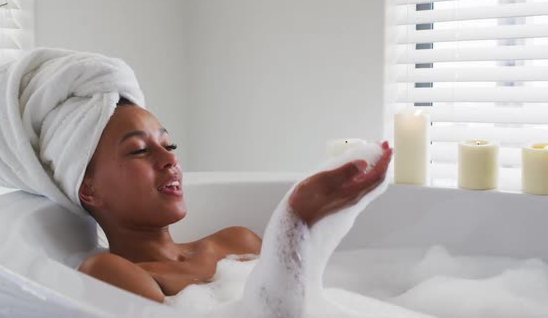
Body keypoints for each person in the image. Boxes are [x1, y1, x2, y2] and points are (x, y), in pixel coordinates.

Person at [77, 97, 392, 303]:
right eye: (139, 150)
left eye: (169, 146)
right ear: (89, 190)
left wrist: (311, 228)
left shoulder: (236, 241)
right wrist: (296, 219)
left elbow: (306, 302)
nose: (169, 160)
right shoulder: (107, 271)